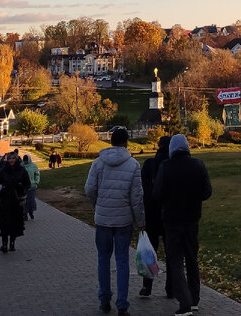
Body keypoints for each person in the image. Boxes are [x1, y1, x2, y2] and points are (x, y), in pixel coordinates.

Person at [85, 126, 145, 316]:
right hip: (123, 221)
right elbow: (137, 198)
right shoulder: (133, 165)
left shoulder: (98, 163)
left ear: (110, 142)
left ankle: (104, 300)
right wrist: (140, 221)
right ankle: (122, 304)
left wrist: (97, 204)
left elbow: (89, 189)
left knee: (103, 259)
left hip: (103, 219)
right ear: (127, 141)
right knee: (122, 262)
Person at [153, 133, 212, 316]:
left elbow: (157, 194)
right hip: (192, 219)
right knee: (192, 259)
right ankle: (194, 298)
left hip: (172, 220)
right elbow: (207, 191)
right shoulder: (198, 165)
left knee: (176, 261)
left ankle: (184, 302)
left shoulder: (166, 166)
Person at [139, 135, 172, 298]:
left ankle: (147, 285)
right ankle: (171, 287)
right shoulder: (172, 166)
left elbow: (142, 188)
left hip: (151, 213)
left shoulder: (149, 164)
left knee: (149, 251)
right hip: (169, 214)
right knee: (171, 251)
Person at [0, 150, 31, 252]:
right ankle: (4, 243)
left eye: (13, 158)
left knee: (15, 223)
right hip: (5, 200)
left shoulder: (21, 170)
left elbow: (27, 183)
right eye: (9, 158)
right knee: (4, 223)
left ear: (16, 159)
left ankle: (12, 243)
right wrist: (0, 190)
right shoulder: (3, 170)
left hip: (17, 201)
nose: (11, 160)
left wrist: (22, 188)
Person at [22, 153, 41, 218]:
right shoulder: (21, 166)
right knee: (24, 201)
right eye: (24, 160)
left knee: (31, 200)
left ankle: (31, 212)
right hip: (24, 187)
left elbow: (37, 174)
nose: (25, 162)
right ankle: (25, 214)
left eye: (26, 160)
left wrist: (36, 182)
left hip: (32, 186)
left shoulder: (33, 166)